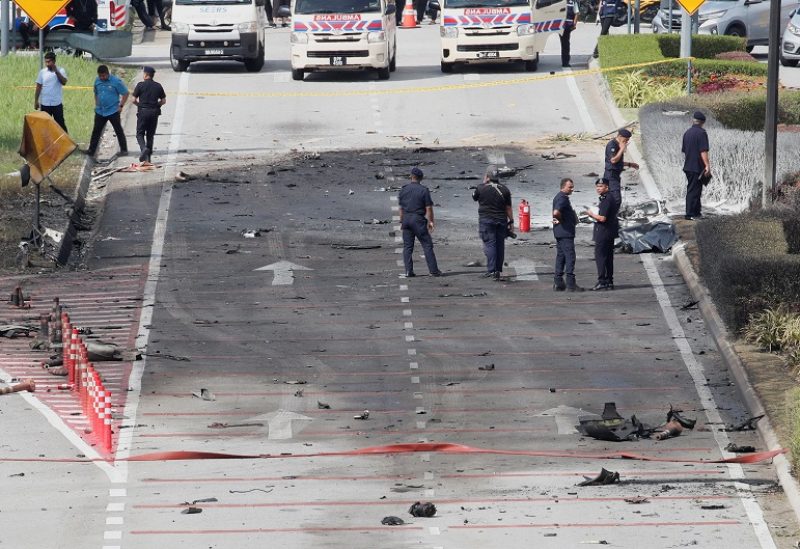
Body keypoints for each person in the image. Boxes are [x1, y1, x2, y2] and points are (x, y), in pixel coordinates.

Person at [398, 167, 442, 278]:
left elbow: (401, 209)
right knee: (427, 245)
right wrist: (431, 221)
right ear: (421, 178)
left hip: (406, 219)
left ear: (411, 177)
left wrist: (401, 221)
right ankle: (433, 270)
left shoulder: (403, 189)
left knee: (407, 247)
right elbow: (429, 208)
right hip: (418, 219)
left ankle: (409, 271)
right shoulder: (423, 190)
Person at [472, 165, 513, 281]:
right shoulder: (505, 189)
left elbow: (474, 197)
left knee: (489, 245)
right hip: (501, 221)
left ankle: (492, 270)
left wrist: (484, 182)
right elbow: (508, 208)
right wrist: (512, 222)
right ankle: (498, 270)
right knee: (500, 245)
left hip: (487, 221)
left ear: (487, 176)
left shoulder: (481, 188)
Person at [582, 178, 620, 291]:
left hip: (603, 232)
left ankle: (602, 281)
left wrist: (591, 214)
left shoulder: (606, 200)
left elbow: (602, 218)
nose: (598, 188)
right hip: (610, 232)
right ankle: (609, 281)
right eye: (597, 186)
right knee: (608, 257)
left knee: (600, 257)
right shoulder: (609, 198)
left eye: (601, 186)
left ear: (607, 187)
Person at [87, 65, 129, 157]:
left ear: (107, 74)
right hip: (100, 111)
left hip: (113, 111)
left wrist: (121, 105)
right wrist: (97, 104)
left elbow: (125, 93)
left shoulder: (116, 82)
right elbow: (96, 92)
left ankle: (124, 150)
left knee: (118, 130)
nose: (102, 78)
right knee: (96, 131)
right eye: (100, 76)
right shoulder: (97, 81)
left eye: (103, 76)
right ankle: (91, 151)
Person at [552, 178, 583, 292]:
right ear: (563, 186)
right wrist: (562, 220)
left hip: (559, 232)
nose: (572, 189)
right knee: (570, 257)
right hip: (565, 233)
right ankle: (571, 284)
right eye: (570, 187)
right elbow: (556, 212)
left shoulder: (558, 197)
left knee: (561, 256)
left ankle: (558, 282)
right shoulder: (562, 198)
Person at [131, 66, 166, 163]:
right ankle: (148, 158)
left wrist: (139, 105)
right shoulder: (158, 86)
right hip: (154, 112)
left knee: (140, 133)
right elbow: (163, 101)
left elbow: (133, 100)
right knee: (150, 135)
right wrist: (156, 105)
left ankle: (143, 149)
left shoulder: (140, 85)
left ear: (146, 74)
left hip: (143, 111)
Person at [682, 111, 711, 221]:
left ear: (693, 121)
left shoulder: (687, 133)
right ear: (702, 122)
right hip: (697, 167)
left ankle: (697, 212)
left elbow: (685, 150)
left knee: (695, 189)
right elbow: (703, 151)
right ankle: (690, 214)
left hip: (688, 165)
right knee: (693, 191)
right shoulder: (702, 133)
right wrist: (707, 165)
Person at [35, 52, 69, 133]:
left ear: (54, 61)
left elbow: (64, 82)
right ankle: (46, 144)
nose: (47, 64)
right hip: (45, 104)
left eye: (49, 61)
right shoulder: (42, 72)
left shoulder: (61, 70)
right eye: (46, 62)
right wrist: (36, 101)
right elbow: (38, 87)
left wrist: (56, 71)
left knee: (60, 124)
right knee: (45, 125)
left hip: (56, 103)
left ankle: (68, 144)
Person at [603, 128, 638, 206]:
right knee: (616, 199)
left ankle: (608, 214)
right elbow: (613, 160)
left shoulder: (619, 144)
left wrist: (630, 164)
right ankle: (611, 215)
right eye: (625, 139)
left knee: (612, 197)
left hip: (615, 175)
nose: (626, 142)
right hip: (611, 175)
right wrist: (622, 149)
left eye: (627, 140)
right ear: (619, 136)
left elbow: (617, 162)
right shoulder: (612, 145)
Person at [560, 0, 578, 67]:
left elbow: (577, 13)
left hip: (568, 26)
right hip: (560, 26)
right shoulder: (560, 2)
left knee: (565, 43)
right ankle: (565, 62)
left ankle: (565, 62)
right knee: (564, 43)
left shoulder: (573, 2)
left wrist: (574, 24)